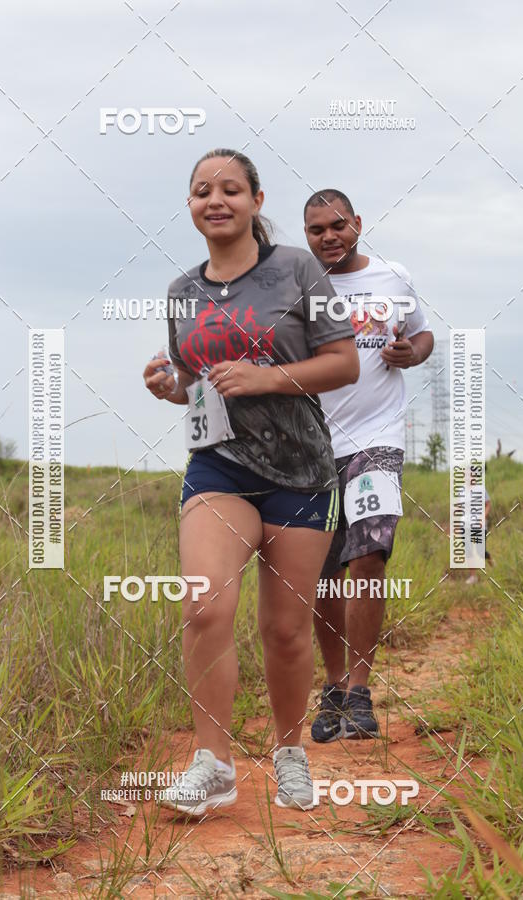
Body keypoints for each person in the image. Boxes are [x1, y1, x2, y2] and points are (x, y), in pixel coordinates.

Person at [143, 151, 359, 814]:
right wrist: (170, 387)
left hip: (301, 471)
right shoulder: (183, 291)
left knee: (286, 632)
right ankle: (213, 763)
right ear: (190, 206)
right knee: (205, 605)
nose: (217, 200)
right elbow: (196, 385)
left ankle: (289, 752)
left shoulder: (296, 268)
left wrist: (267, 376)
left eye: (230, 189)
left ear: (256, 200)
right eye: (202, 190)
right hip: (220, 467)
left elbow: (345, 362)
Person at [303, 188, 434, 742]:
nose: (329, 236)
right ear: (306, 236)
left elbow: (422, 334)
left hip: (377, 439)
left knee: (370, 553)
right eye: (316, 230)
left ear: (357, 223)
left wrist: (414, 352)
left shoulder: (393, 277)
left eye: (337, 225)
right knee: (322, 574)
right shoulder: (297, 286)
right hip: (309, 447)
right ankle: (333, 686)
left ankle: (360, 690)